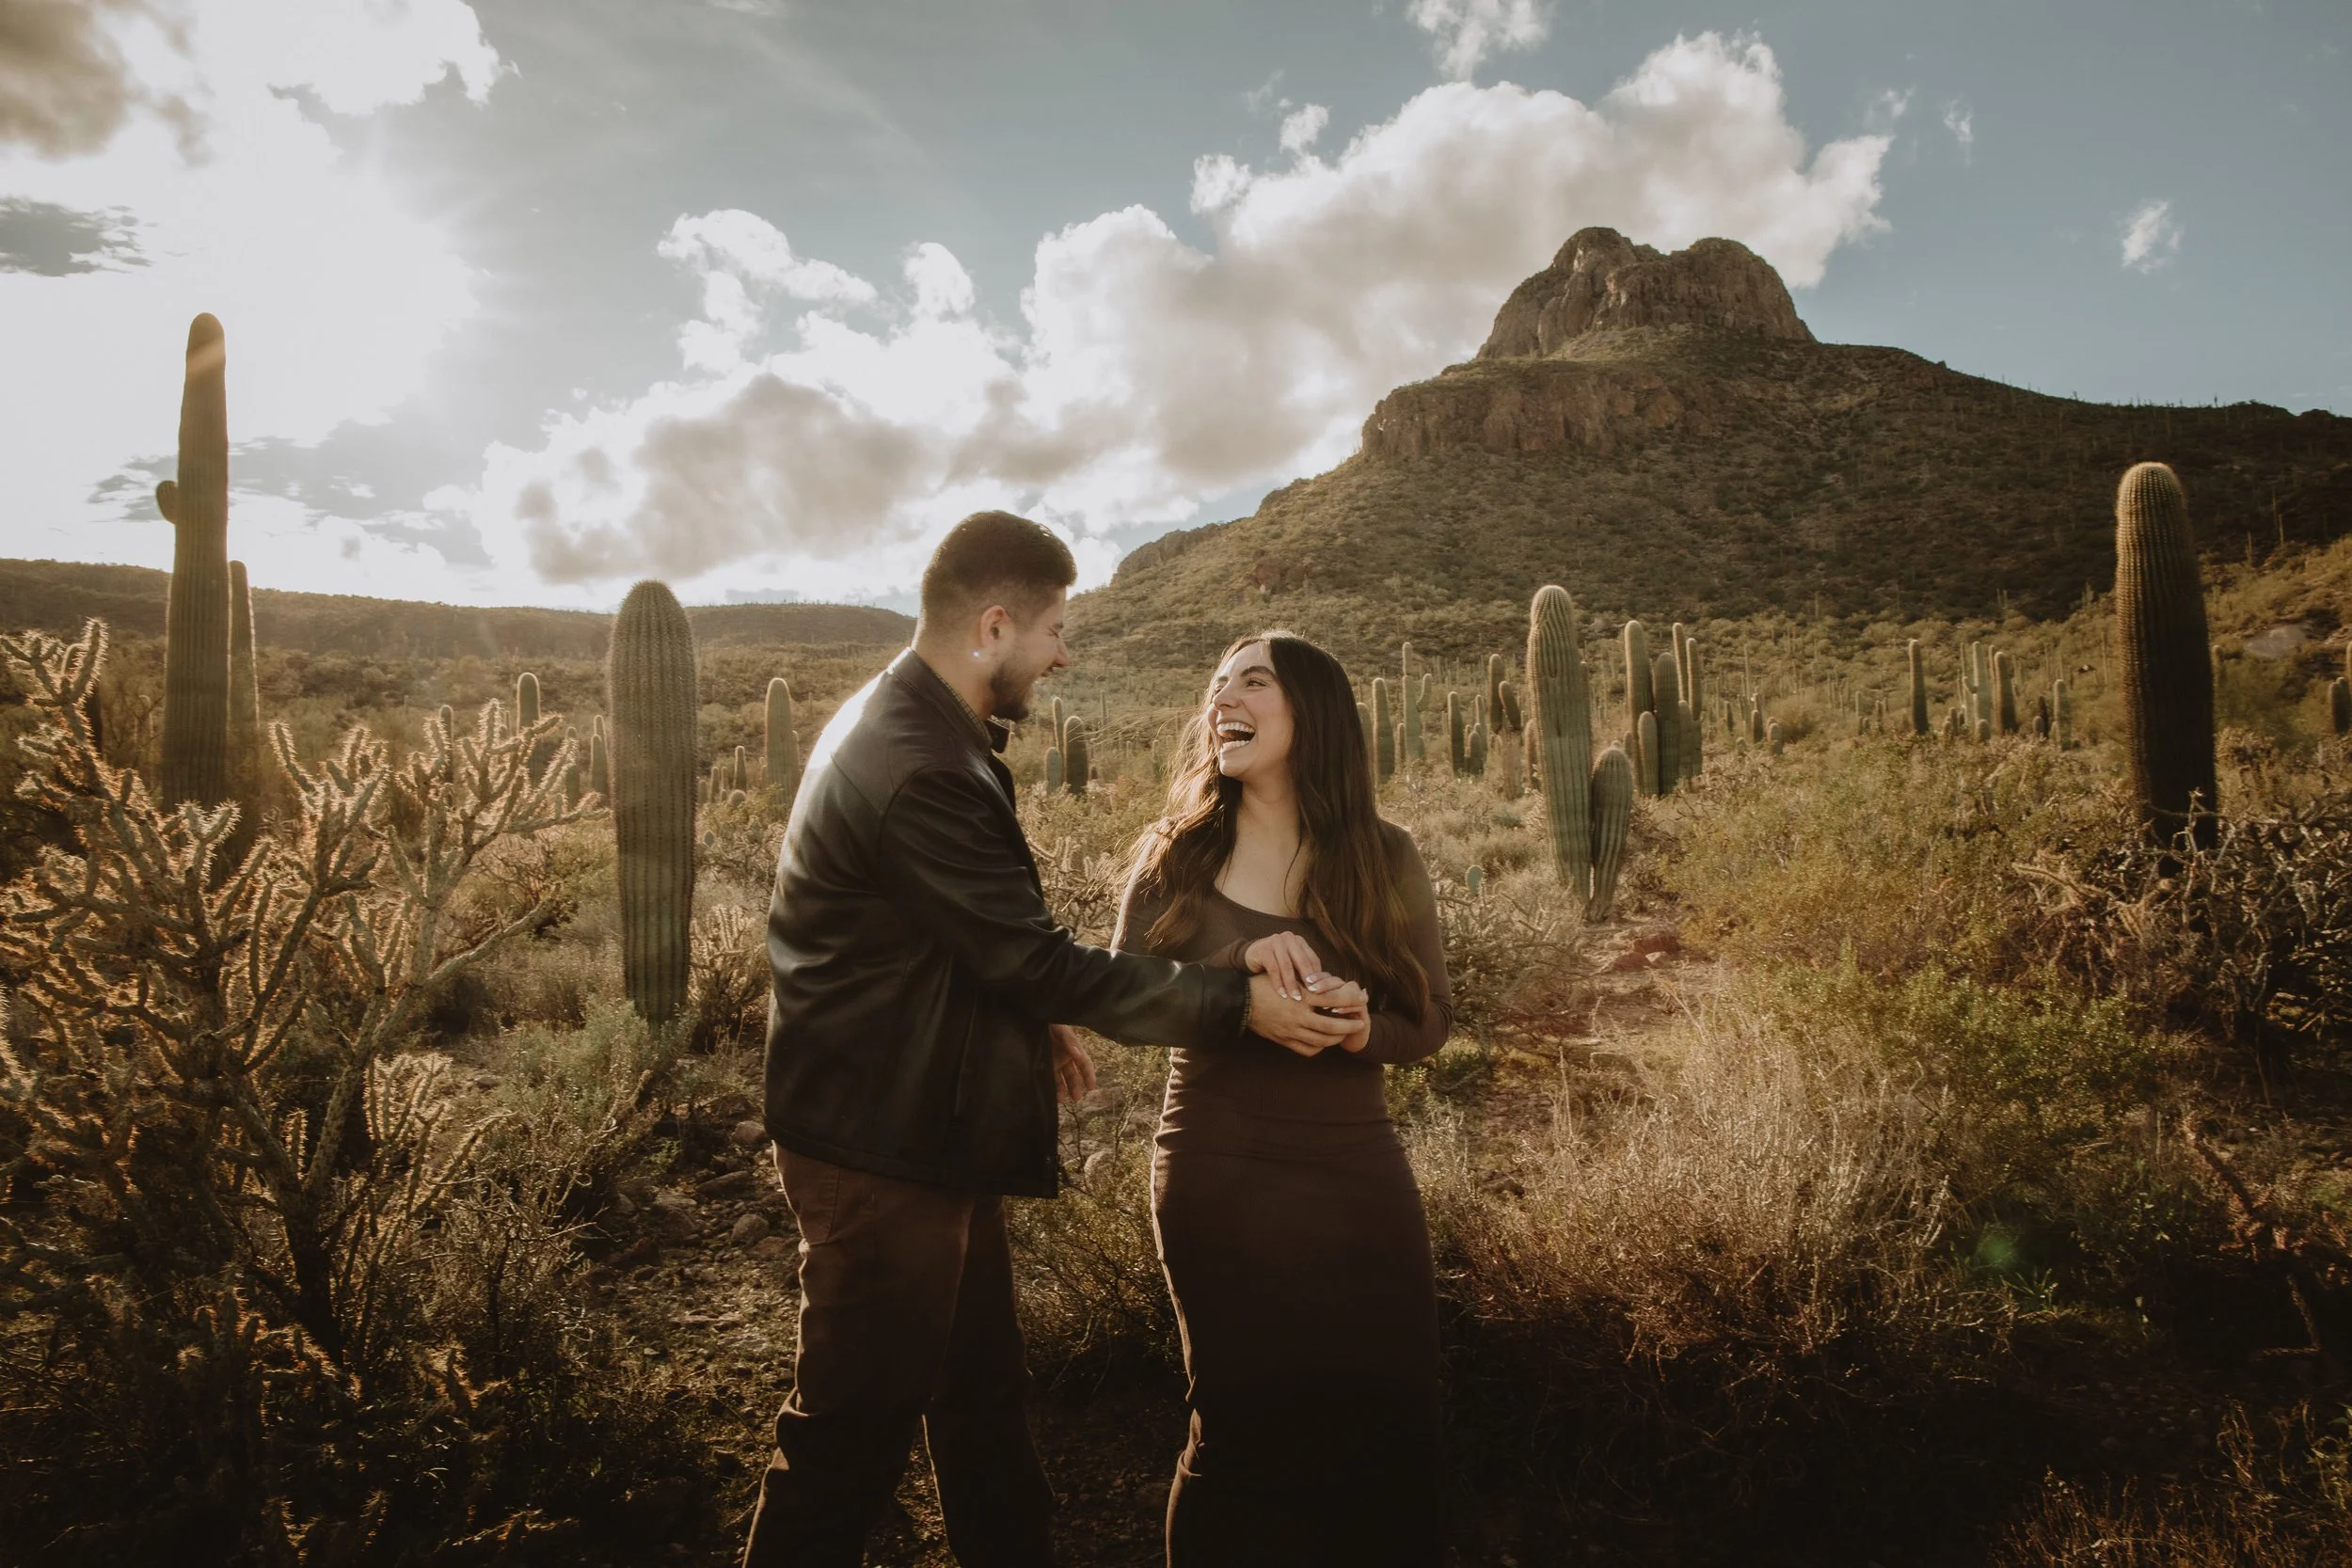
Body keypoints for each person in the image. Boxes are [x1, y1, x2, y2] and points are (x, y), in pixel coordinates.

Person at [742, 515, 1365, 1568]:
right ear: (994, 624)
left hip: (917, 1119)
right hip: (877, 1145)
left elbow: (958, 946)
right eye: (1054, 629)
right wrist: (1234, 1004)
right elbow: (1030, 957)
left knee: (979, 1390)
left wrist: (1024, 1026)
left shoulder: (913, 723)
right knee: (848, 1429)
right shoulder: (921, 760)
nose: (1064, 652)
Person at [1113, 631, 1454, 1568]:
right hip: (1219, 1163)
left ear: (1312, 714)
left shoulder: (1384, 854)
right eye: (1217, 683)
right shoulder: (1174, 854)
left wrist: (1358, 1030)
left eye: (1252, 681)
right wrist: (1234, 976)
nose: (1224, 696)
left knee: (1395, 1421)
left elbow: (1427, 1020)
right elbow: (1120, 998)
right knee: (1240, 1429)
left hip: (1356, 1168)